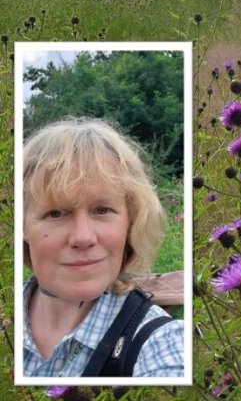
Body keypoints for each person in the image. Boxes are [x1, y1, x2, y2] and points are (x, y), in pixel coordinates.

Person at [22, 117, 185, 378]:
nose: (83, 237)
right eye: (56, 214)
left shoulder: (162, 342)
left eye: (103, 210)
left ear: (129, 222)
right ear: (22, 227)